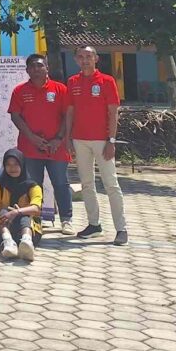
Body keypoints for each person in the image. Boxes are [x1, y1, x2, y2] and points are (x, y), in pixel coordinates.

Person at [8, 53, 74, 235]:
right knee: (33, 185)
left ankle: (66, 220)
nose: (36, 69)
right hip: (30, 148)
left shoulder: (60, 89)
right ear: (27, 70)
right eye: (32, 66)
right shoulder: (19, 91)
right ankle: (34, 220)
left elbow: (67, 116)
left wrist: (58, 139)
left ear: (47, 68)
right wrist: (32, 138)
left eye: (40, 65)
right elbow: (15, 116)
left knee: (60, 183)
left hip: (57, 148)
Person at [66, 46, 126, 244]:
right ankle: (94, 225)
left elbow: (113, 113)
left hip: (103, 140)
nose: (85, 60)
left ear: (96, 59)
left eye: (89, 56)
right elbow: (70, 112)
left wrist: (111, 141)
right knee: (86, 184)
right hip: (79, 139)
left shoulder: (107, 81)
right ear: (76, 60)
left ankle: (121, 229)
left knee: (111, 184)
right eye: (81, 57)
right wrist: (68, 138)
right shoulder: (72, 82)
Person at [0, 149, 42, 261]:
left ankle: (27, 242)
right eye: (8, 165)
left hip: (30, 229)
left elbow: (36, 209)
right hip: (4, 229)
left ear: (22, 165)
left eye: (16, 164)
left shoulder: (33, 187)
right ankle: (8, 242)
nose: (12, 168)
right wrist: (7, 213)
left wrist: (17, 212)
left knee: (25, 214)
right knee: (3, 211)